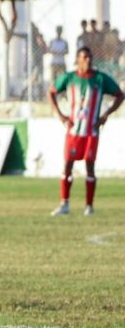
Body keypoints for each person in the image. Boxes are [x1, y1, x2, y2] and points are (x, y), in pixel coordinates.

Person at [48, 47, 123, 216]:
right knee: (67, 164)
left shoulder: (100, 79)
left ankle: (89, 206)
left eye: (90, 57)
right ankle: (64, 204)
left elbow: (120, 95)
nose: (88, 60)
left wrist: (105, 115)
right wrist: (60, 115)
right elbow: (51, 92)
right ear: (78, 59)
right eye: (84, 57)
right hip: (74, 131)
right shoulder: (69, 78)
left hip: (91, 132)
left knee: (90, 166)